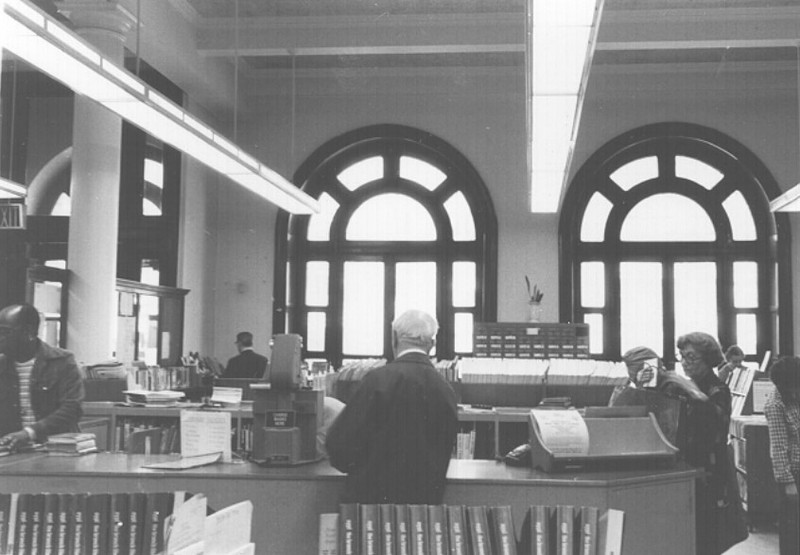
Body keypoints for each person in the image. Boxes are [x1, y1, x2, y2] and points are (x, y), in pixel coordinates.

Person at [325, 309, 458, 504]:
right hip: (423, 508)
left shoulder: (377, 380)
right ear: (432, 344)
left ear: (394, 339)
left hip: (371, 504)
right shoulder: (445, 389)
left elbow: (340, 445)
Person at [677, 331, 742, 555]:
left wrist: (690, 392)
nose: (685, 363)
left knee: (708, 534)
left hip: (710, 470)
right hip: (689, 467)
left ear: (708, 359)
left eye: (691, 358)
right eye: (682, 357)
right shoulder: (690, 386)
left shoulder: (717, 389)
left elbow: (714, 424)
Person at [0, 303, 84, 451]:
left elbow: (72, 409)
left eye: (5, 332)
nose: (0, 337)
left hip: (56, 450)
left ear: (29, 331)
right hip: (11, 452)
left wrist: (29, 432)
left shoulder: (62, 361)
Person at [764, 356, 800, 555]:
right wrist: (788, 483)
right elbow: (777, 448)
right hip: (794, 473)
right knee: (792, 530)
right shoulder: (775, 405)